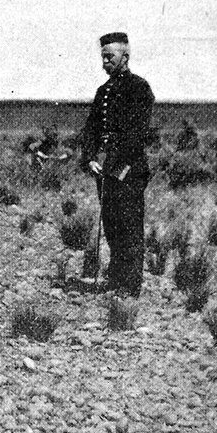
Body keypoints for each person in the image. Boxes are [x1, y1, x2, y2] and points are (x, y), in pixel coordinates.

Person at [79, 32, 154, 297]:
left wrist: (119, 166)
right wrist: (89, 157)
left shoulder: (139, 88)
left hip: (129, 170)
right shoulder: (104, 92)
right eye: (103, 57)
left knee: (130, 227)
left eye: (109, 57)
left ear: (125, 56)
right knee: (111, 225)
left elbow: (137, 134)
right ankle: (116, 278)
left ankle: (130, 286)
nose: (105, 63)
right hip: (106, 170)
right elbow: (91, 130)